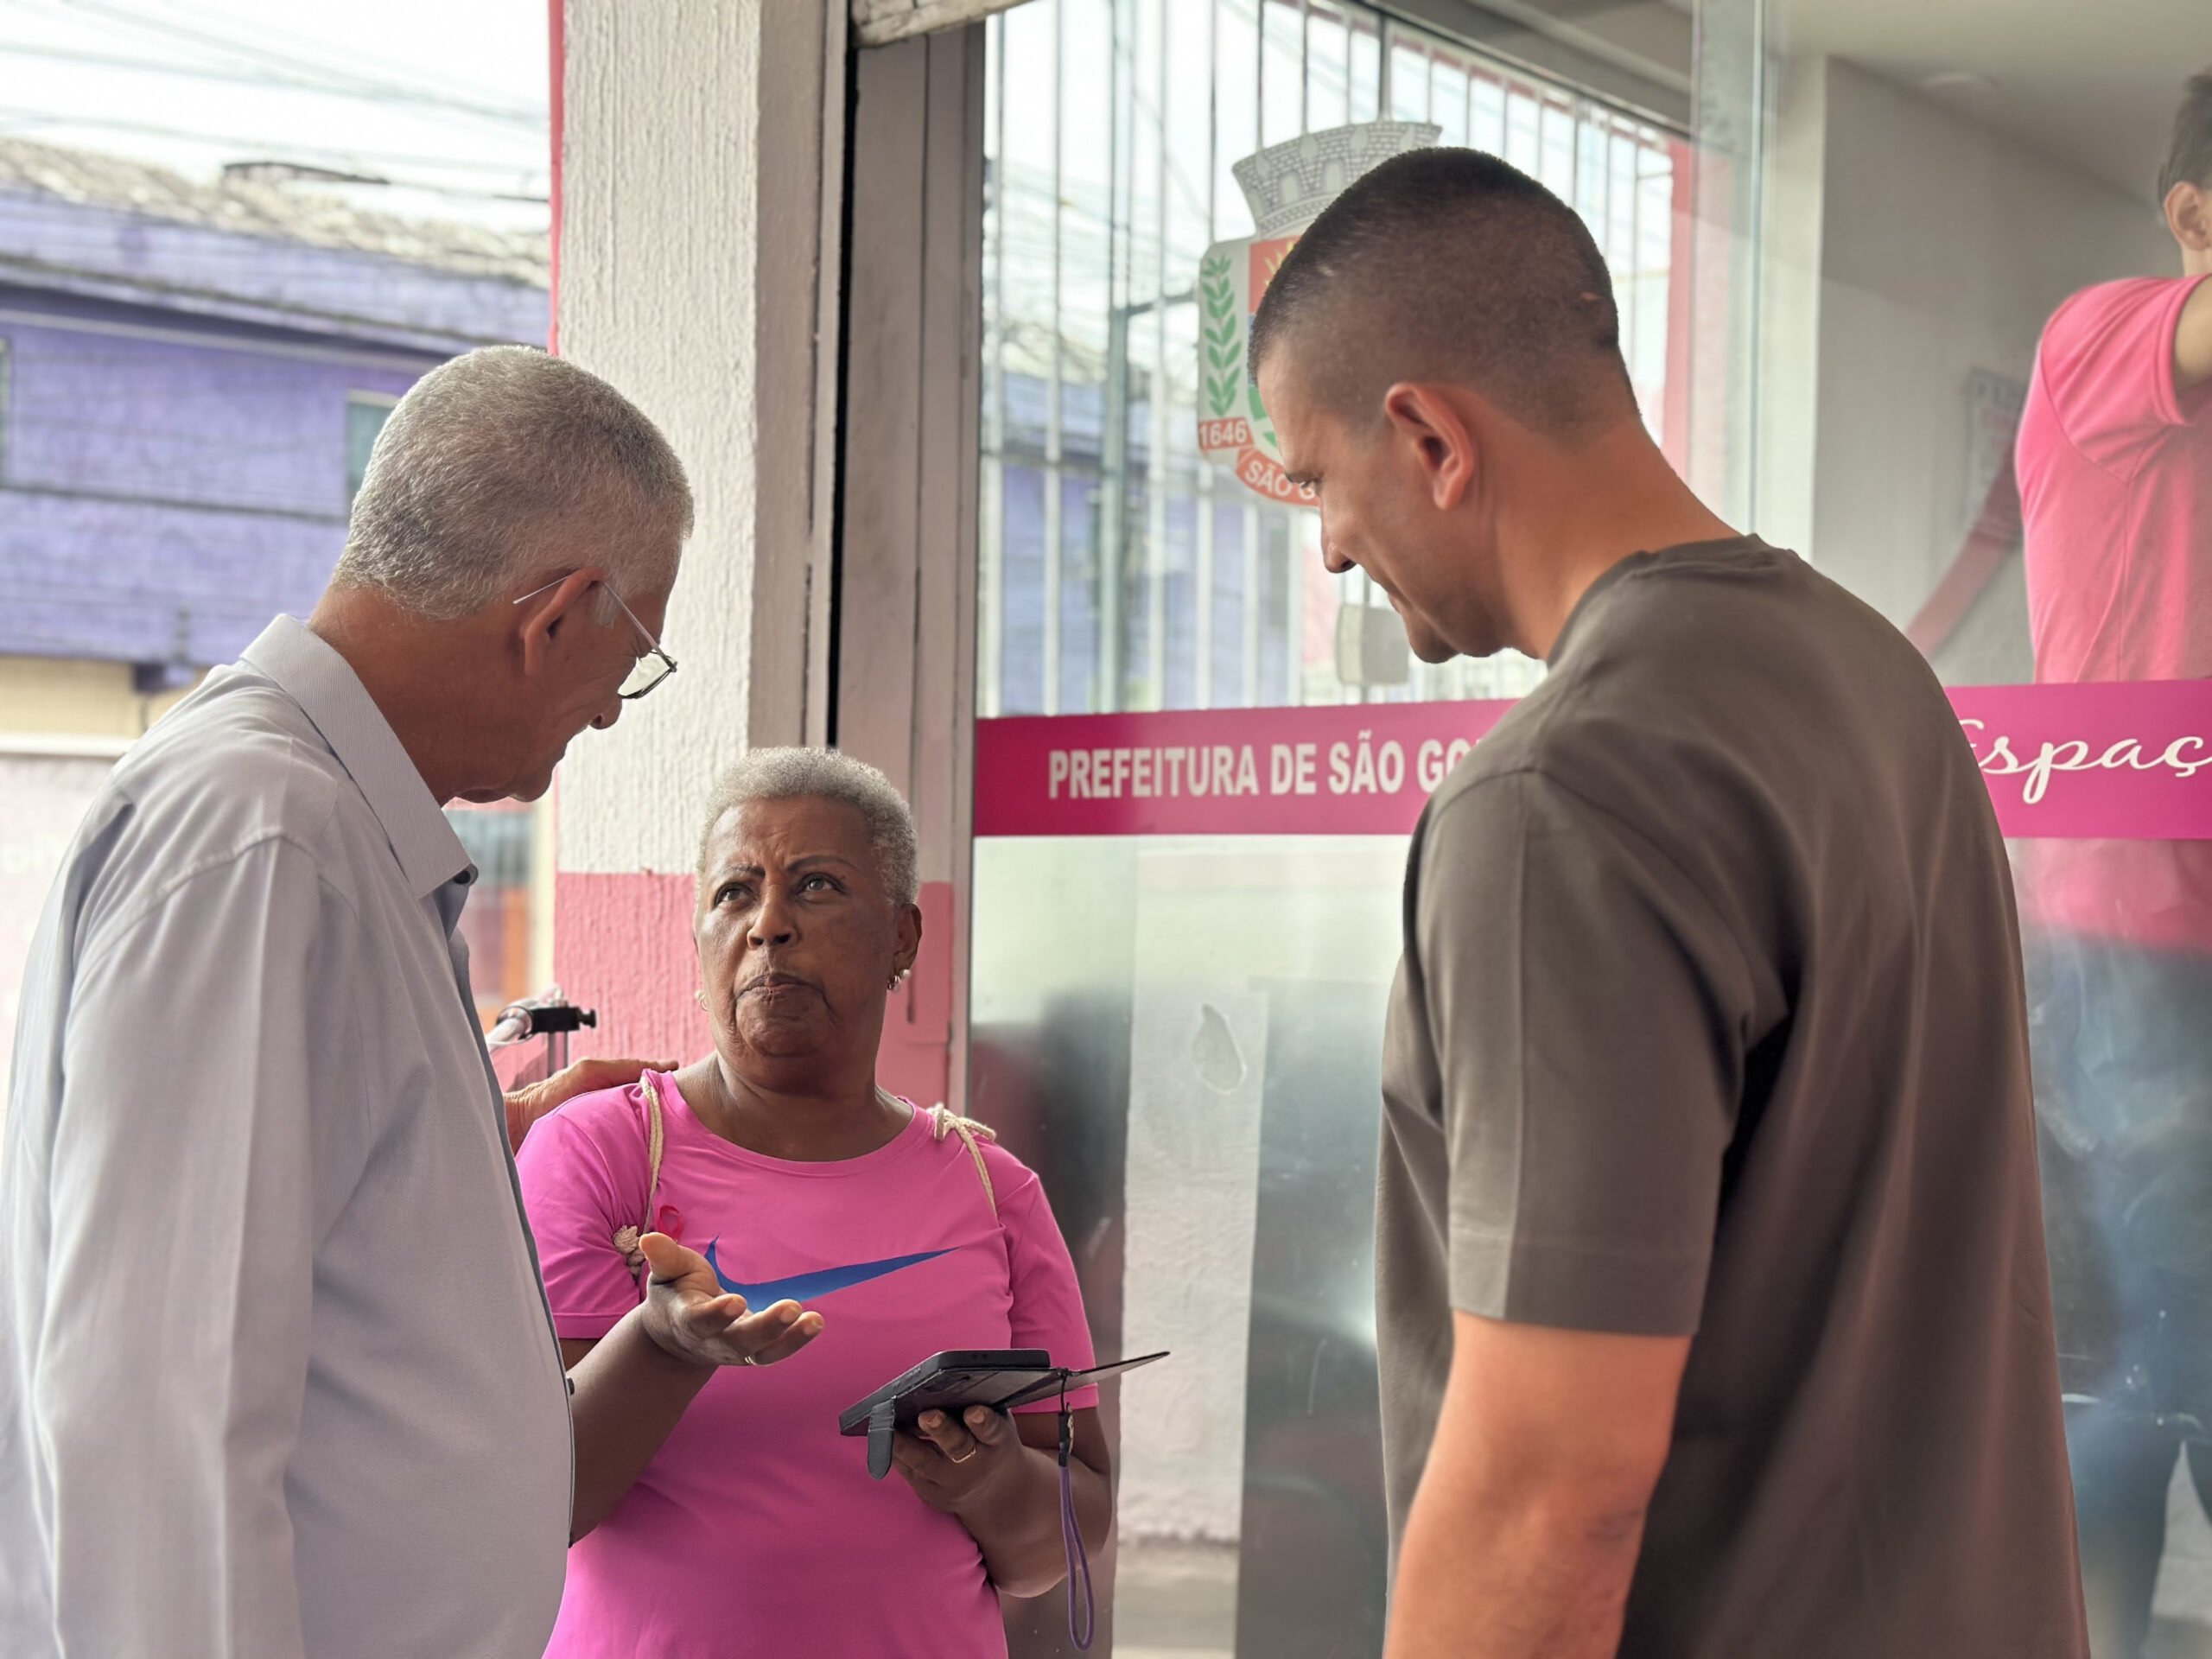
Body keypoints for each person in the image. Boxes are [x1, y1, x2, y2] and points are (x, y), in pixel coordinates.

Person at [1249, 149, 2088, 1656]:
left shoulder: (1562, 796)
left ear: (1430, 435)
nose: (1329, 543)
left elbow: (1549, 1491)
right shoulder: (1870, 675)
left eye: (1318, 478)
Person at [0, 346, 823, 1659]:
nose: (612, 712)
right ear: (555, 616)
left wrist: (436, 1174)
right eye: (635, 657)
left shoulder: (334, 831)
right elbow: (157, 1409)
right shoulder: (269, 839)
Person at [513, 747, 1112, 1659]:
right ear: (700, 939)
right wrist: (663, 1348)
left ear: (903, 938)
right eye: (733, 894)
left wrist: (993, 1484)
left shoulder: (993, 1191)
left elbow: (1062, 1540)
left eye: (817, 885)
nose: (769, 926)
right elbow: (534, 1505)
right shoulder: (603, 1152)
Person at [2014, 69, 2212, 1657]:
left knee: (2171, 1361)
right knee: (2163, 1356)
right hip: (2129, 940)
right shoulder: (2100, 340)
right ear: (2194, 221)